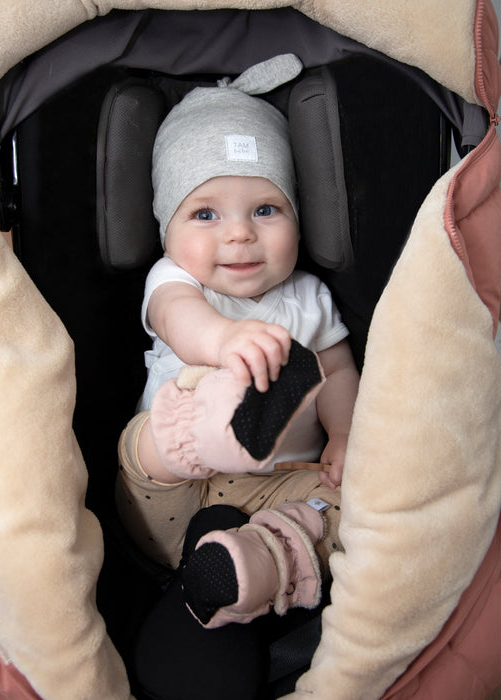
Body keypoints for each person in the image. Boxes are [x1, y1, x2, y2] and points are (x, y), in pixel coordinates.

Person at [115, 53, 359, 696]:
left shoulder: (309, 297)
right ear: (166, 228)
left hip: (279, 488)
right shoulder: (177, 282)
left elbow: (336, 367)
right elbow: (178, 319)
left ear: (297, 219)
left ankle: (251, 563)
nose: (240, 236)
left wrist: (342, 435)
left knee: (346, 509)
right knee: (150, 439)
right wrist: (224, 341)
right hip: (179, 481)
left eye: (265, 211)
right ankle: (218, 422)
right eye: (205, 214)